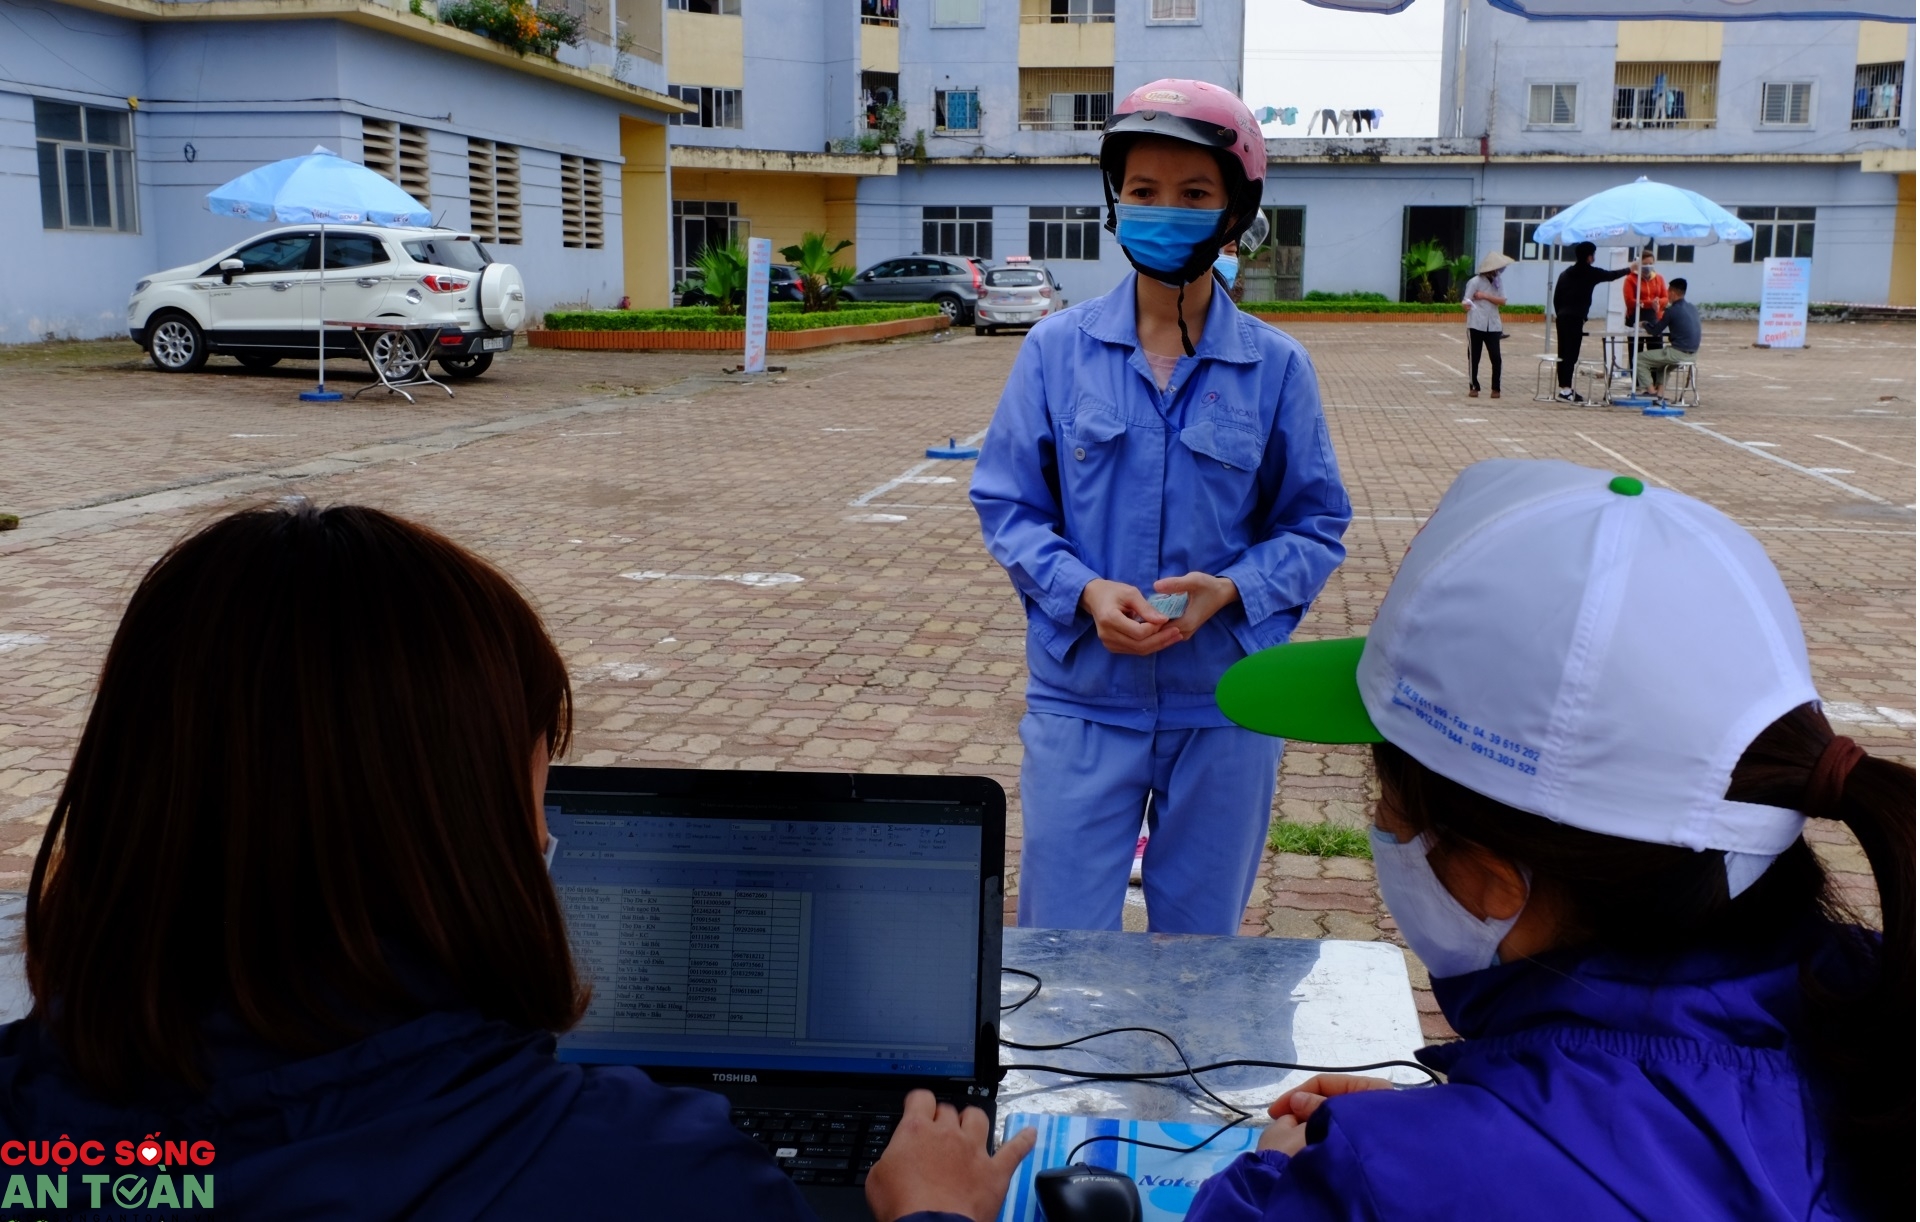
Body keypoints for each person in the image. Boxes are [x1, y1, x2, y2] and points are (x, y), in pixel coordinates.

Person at [0, 502, 1033, 1222]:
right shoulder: (652, 1179)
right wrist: (935, 1214)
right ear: (467, 820)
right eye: (537, 778)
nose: (545, 831)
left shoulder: (37, 1144)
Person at [1196, 458, 1912, 1221]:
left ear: (1493, 882)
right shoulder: (1880, 1012)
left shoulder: (1371, 1190)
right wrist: (1476, 1130)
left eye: (1388, 809)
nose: (1380, 828)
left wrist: (1302, 1174)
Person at [970, 78, 1351, 935]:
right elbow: (1008, 505)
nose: (1163, 211)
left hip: (1225, 703)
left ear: (1235, 211)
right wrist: (1082, 591)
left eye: (1193, 194)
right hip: (1082, 696)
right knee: (1060, 944)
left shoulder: (1276, 368)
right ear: (1115, 202)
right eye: (1143, 191)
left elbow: (1315, 523)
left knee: (1200, 947)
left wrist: (1234, 589)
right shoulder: (1055, 351)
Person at [1551, 241, 1632, 403]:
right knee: (1571, 354)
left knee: (1563, 353)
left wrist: (1560, 313)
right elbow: (1611, 275)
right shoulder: (1590, 272)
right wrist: (1630, 269)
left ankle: (1565, 388)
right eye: (1593, 254)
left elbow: (1556, 298)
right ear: (1589, 256)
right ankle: (1566, 391)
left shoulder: (1565, 273)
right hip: (1575, 318)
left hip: (1562, 317)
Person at [1635, 276, 1700, 404]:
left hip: (1677, 353)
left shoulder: (1672, 310)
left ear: (1673, 293)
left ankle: (1651, 393)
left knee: (1639, 358)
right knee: (1662, 365)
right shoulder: (1692, 308)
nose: (1667, 294)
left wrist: (1644, 324)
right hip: (1693, 354)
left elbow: (1655, 331)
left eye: (1668, 291)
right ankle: (1660, 394)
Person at [1459, 251, 1513, 399]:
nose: (1499, 271)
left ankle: (1496, 388)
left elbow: (1502, 301)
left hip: (1493, 324)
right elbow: (1466, 300)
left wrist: (1485, 296)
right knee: (1474, 356)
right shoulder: (1475, 282)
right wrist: (1466, 305)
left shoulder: (1498, 282)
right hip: (1476, 323)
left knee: (1496, 357)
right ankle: (1474, 386)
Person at [1623, 246, 1667, 333]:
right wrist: (1650, 303)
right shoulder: (1630, 279)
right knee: (1637, 341)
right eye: (1645, 264)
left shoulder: (1659, 278)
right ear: (1638, 264)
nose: (1648, 266)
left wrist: (1658, 302)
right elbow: (1629, 301)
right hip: (1636, 317)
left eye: (1650, 264)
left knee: (1656, 340)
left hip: (1655, 317)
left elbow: (1665, 298)